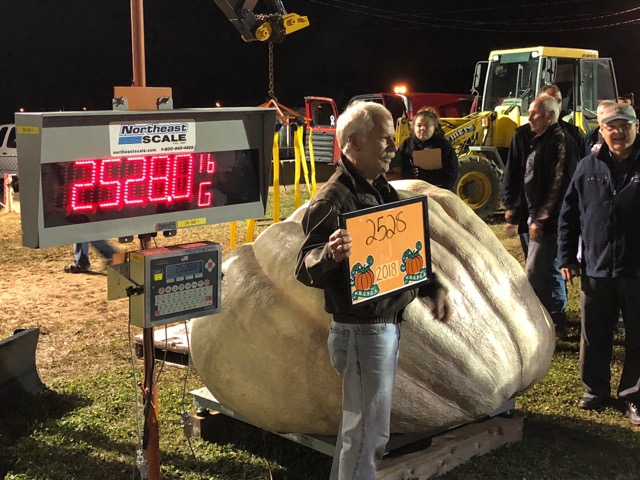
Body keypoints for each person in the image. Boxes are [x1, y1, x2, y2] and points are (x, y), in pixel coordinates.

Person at [295, 102, 451, 479]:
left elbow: (402, 253)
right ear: (354, 143)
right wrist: (330, 253)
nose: (393, 148)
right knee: (367, 433)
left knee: (365, 430)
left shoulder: (380, 190)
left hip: (383, 327)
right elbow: (304, 266)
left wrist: (432, 287)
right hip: (362, 332)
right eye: (384, 139)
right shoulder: (333, 200)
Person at [558, 102, 640, 425]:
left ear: (636, 127)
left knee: (637, 335)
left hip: (636, 271)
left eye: (625, 125)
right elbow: (568, 216)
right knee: (593, 334)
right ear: (602, 130)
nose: (618, 132)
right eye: (611, 126)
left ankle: (633, 397)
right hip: (596, 268)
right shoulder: (586, 166)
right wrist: (566, 257)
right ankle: (595, 391)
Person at [508, 95, 578, 337]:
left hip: (551, 221)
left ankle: (553, 322)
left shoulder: (560, 142)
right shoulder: (540, 140)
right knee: (543, 270)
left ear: (550, 116)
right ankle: (551, 323)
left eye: (535, 114)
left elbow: (559, 186)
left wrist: (542, 219)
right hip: (536, 216)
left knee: (537, 272)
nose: (530, 118)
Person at [503, 85, 586, 258]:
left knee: (546, 263)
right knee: (534, 261)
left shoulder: (570, 135)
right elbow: (513, 170)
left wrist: (543, 218)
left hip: (554, 213)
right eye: (549, 100)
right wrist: (511, 205)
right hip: (529, 210)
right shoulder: (523, 135)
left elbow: (564, 180)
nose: (555, 103)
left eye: (558, 100)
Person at [398, 107, 458, 191]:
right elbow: (400, 168)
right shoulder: (407, 144)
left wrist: (425, 175)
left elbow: (451, 174)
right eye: (419, 125)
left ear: (434, 127)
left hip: (439, 191)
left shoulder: (443, 145)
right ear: (413, 127)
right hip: (413, 191)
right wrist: (411, 173)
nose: (422, 128)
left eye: (427, 125)